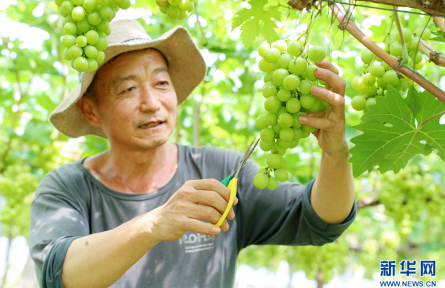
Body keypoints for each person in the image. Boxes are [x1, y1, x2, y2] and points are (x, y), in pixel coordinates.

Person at [29, 19, 357, 288]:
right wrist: (154, 223)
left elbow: (319, 220)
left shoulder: (223, 169)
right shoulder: (67, 187)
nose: (151, 103)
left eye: (161, 83)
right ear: (90, 110)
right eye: (128, 89)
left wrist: (336, 154)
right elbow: (59, 274)